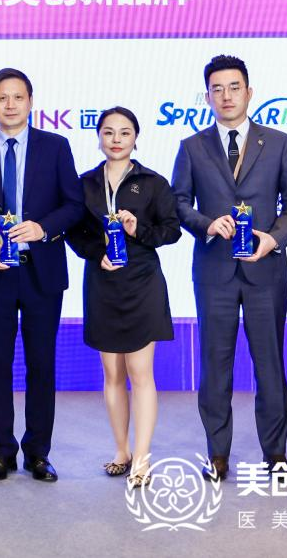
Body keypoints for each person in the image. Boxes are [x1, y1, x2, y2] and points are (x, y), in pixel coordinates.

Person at [171, 55, 287, 481]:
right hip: (215, 271)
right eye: (217, 89)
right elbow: (178, 202)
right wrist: (207, 224)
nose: (226, 96)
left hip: (266, 271)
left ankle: (276, 453)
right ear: (207, 96)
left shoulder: (279, 142)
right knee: (215, 365)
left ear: (249, 92)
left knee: (270, 364)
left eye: (234, 88)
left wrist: (274, 238)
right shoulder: (192, 147)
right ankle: (217, 453)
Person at [0, 68, 84, 482]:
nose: (10, 105)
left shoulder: (56, 146)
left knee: (41, 364)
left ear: (31, 102)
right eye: (2, 98)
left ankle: (37, 453)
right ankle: (1, 452)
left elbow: (74, 204)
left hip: (41, 271)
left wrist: (43, 228)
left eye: (17, 97)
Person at [66, 107, 180, 487]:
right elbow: (74, 233)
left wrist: (137, 229)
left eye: (125, 132)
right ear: (99, 137)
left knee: (140, 372)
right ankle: (121, 452)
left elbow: (172, 231)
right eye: (109, 132)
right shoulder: (84, 184)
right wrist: (96, 252)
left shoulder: (153, 182)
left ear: (136, 138)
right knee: (112, 372)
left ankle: (142, 459)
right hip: (102, 283)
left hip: (142, 283)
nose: (116, 139)